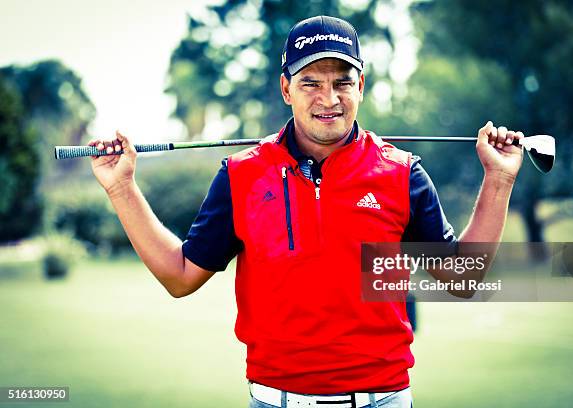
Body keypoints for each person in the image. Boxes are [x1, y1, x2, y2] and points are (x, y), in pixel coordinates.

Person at [89, 15, 524, 408]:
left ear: (361, 86)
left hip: (382, 399)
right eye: (311, 82)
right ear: (286, 89)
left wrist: (498, 179)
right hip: (276, 400)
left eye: (342, 82)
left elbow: (463, 278)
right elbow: (180, 275)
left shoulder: (402, 173)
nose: (329, 98)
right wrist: (122, 187)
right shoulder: (242, 175)